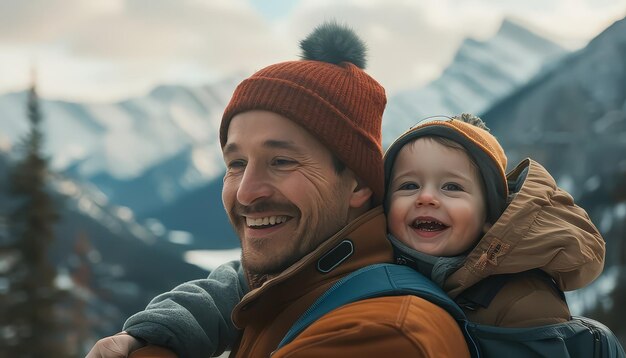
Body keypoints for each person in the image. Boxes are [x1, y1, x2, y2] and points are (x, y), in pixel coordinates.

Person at [86, 22, 470, 358]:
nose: (246, 193)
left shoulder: (381, 335)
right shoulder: (291, 293)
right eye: (236, 164)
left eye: (282, 161)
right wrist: (157, 334)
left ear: (357, 183)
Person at [382, 113, 605, 326]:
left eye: (451, 187)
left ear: (490, 215)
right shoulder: (371, 268)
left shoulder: (522, 303)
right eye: (409, 185)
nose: (426, 197)